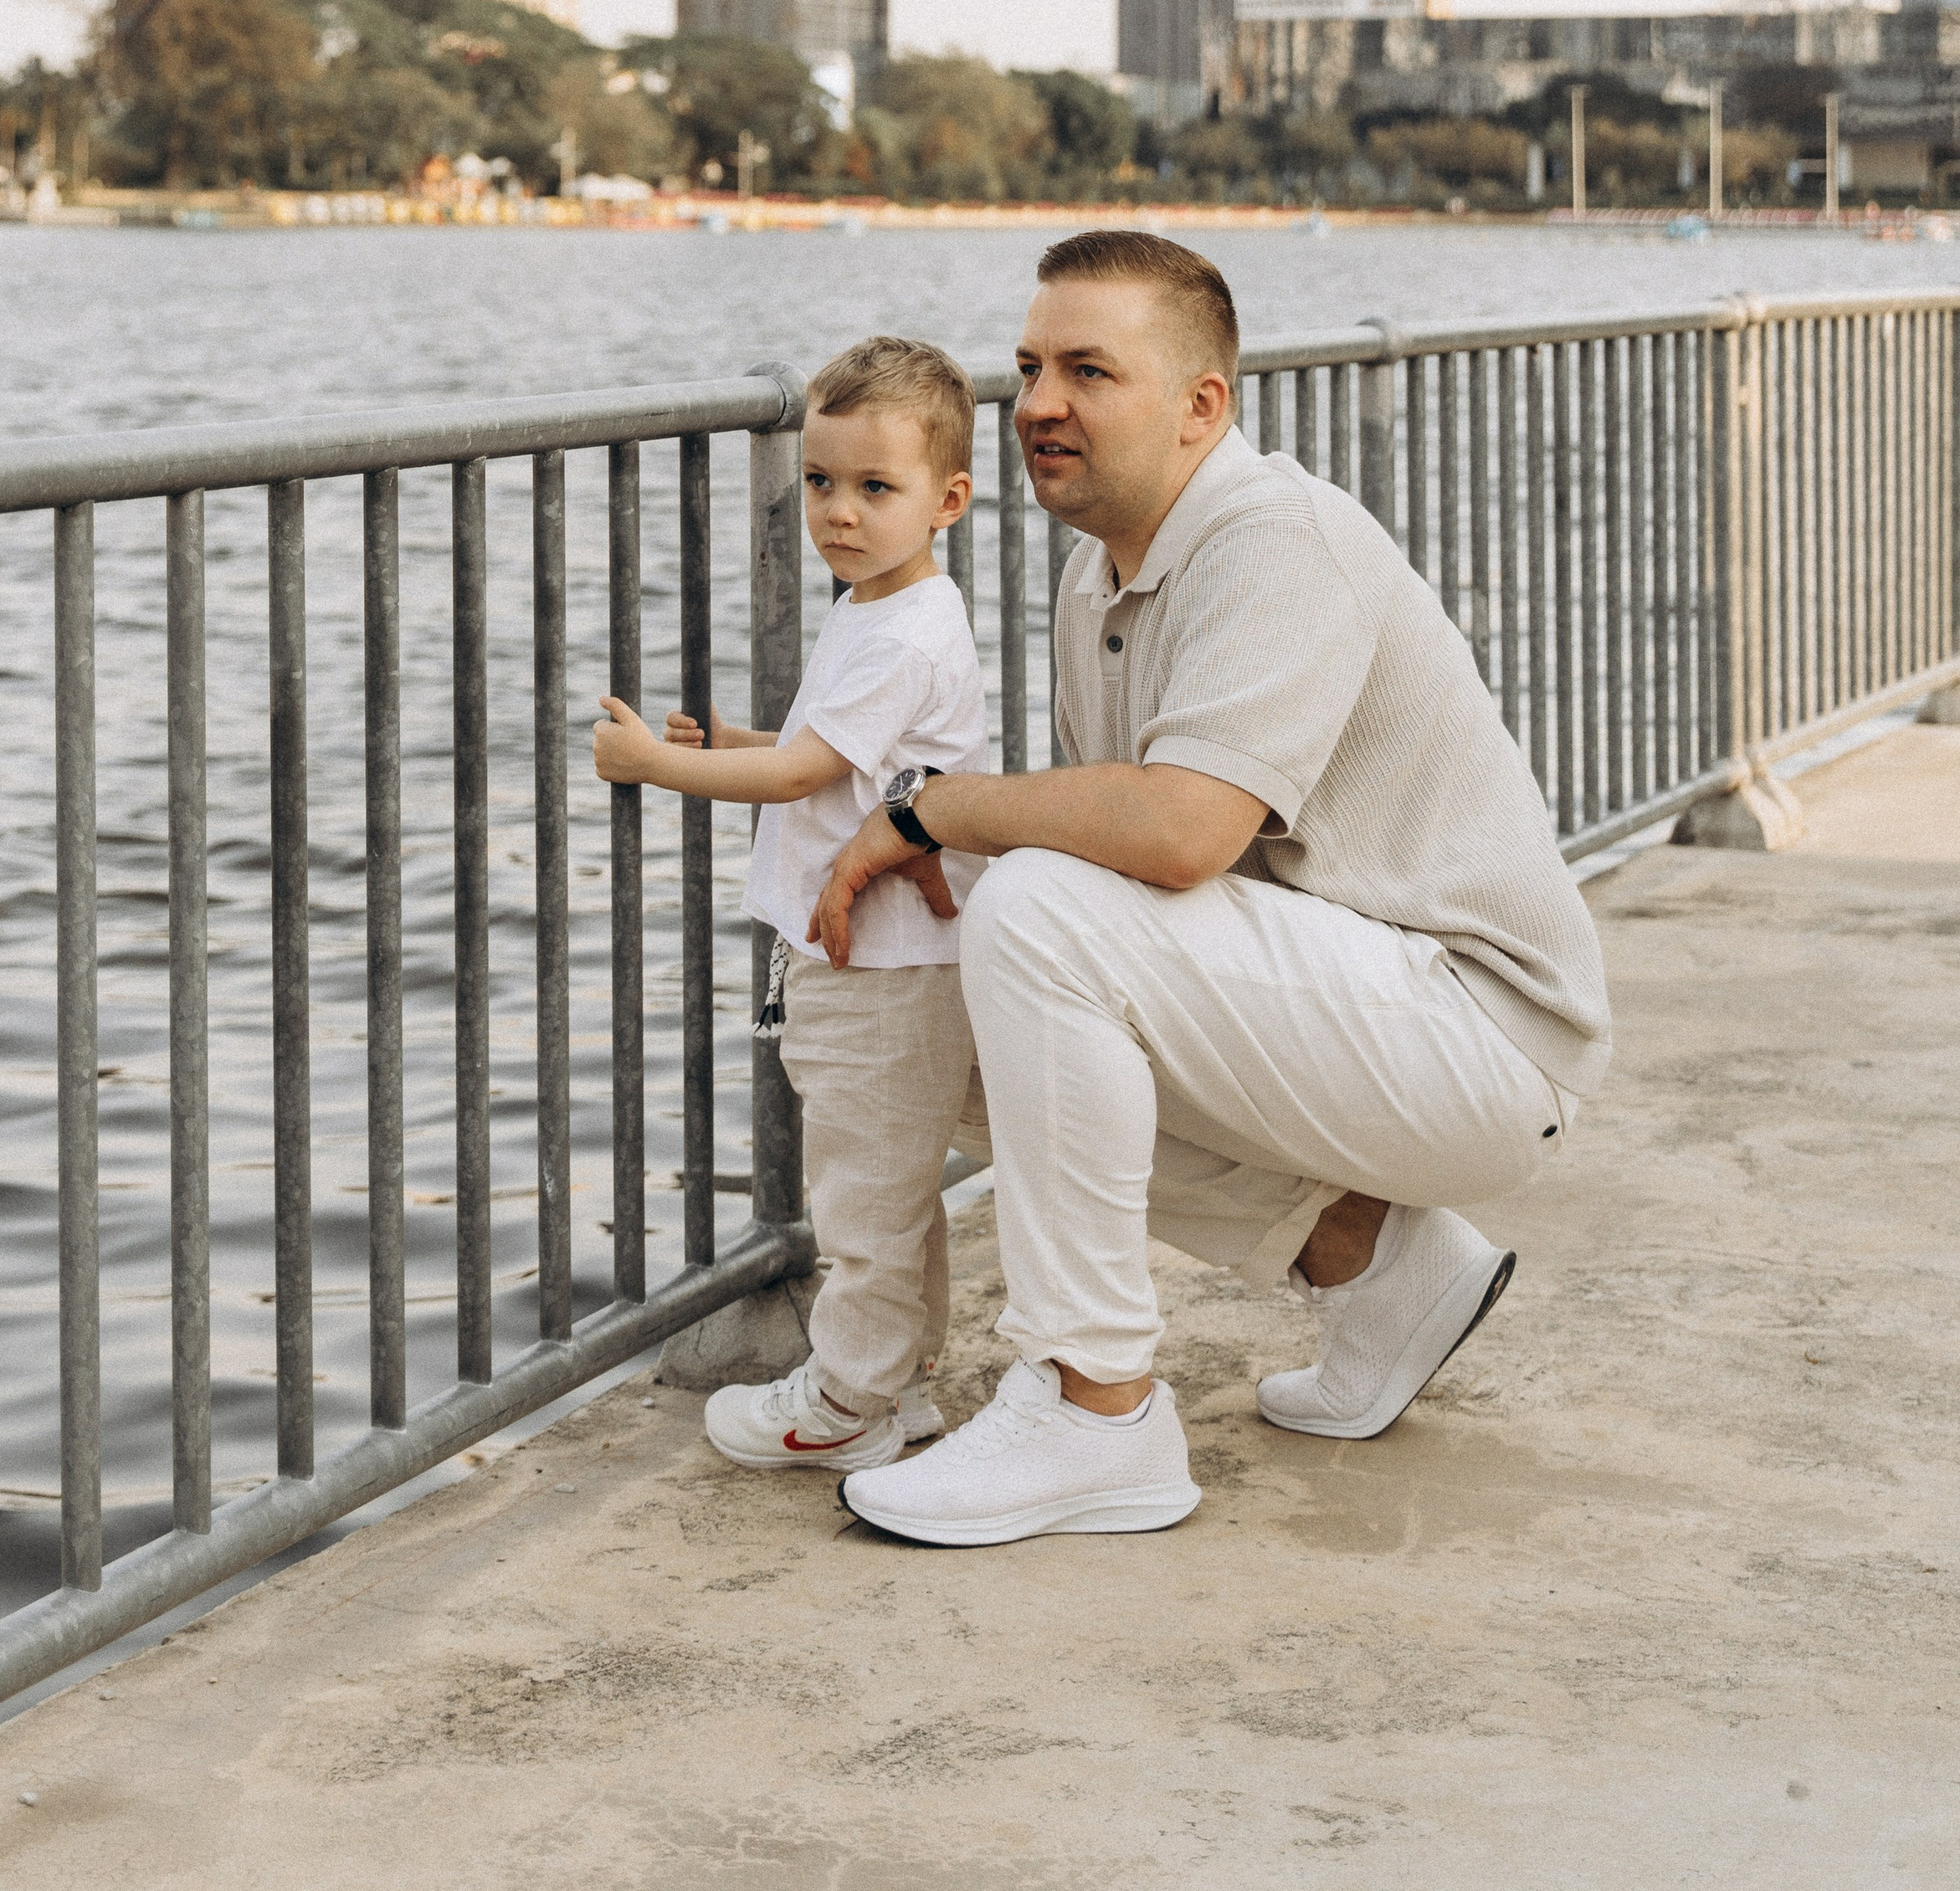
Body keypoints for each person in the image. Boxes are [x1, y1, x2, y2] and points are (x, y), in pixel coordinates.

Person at [812, 230, 1611, 1550]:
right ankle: (1373, 1262)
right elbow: (1122, 866)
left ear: (1202, 407)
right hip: (1355, 1016)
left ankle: (1097, 1409)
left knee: (1029, 917)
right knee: (934, 1010)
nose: (1040, 403)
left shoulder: (1274, 538)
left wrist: (927, 809)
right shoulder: (1099, 571)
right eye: (1025, 368)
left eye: (1088, 370)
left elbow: (1180, 836)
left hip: (1482, 1035)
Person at [593, 332, 992, 1475]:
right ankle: (895, 1386)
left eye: (876, 488)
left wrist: (653, 766)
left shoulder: (900, 629)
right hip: (882, 949)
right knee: (890, 1189)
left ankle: (845, 1401)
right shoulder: (887, 606)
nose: (839, 511)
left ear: (948, 499)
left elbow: (799, 780)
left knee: (864, 1197)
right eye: (820, 482)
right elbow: (829, 757)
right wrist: (734, 740)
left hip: (878, 962)